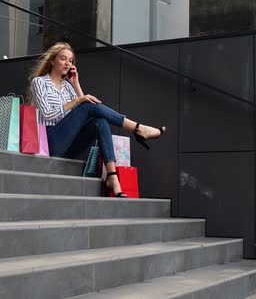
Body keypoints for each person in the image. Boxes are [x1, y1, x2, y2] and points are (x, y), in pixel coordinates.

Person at [28, 42, 165, 198]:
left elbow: (83, 110)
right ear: (52, 61)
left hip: (69, 146)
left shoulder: (67, 86)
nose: (67, 63)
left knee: (100, 122)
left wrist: (76, 84)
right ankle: (138, 128)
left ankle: (112, 177)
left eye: (71, 60)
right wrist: (78, 101)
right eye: (63, 59)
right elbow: (48, 114)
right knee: (87, 106)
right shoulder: (39, 82)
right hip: (51, 142)